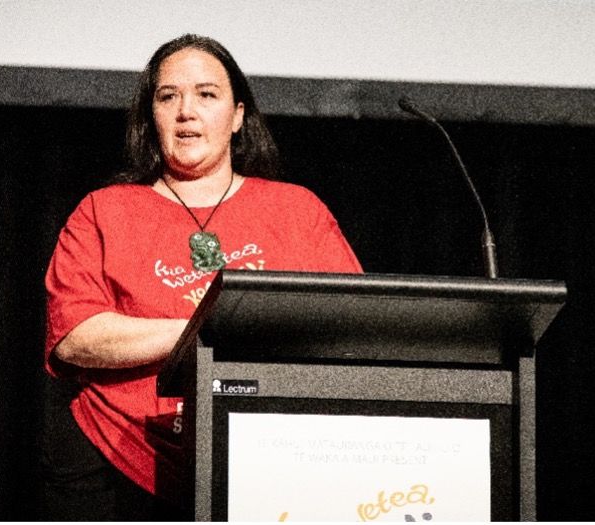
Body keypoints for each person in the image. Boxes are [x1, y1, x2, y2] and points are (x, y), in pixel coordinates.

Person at [40, 34, 362, 520]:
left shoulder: (297, 209)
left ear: (236, 116)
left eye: (206, 94)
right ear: (152, 117)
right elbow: (74, 338)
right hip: (117, 458)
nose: (186, 111)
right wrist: (207, 328)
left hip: (268, 458)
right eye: (168, 97)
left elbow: (350, 324)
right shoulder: (104, 211)